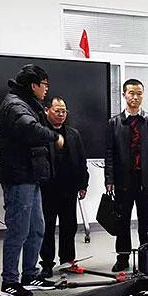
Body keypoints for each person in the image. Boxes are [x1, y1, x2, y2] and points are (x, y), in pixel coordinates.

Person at [0, 64, 62, 296]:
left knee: (36, 228)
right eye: (44, 85)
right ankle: (9, 282)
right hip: (18, 177)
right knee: (18, 230)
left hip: (30, 176)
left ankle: (30, 275)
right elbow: (30, 129)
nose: (46, 89)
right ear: (33, 85)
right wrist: (54, 136)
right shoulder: (15, 105)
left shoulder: (27, 103)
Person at [105, 78, 148, 272]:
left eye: (139, 94)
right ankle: (122, 258)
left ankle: (146, 257)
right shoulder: (114, 122)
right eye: (131, 93)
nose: (135, 97)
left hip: (145, 179)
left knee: (145, 220)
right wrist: (109, 179)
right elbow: (109, 153)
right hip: (123, 180)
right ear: (124, 95)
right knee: (122, 221)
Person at [38, 96, 89, 279]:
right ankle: (46, 264)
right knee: (47, 227)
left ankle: (67, 260)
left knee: (69, 226)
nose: (61, 114)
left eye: (64, 111)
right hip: (48, 188)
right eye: (57, 110)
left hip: (69, 188)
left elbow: (81, 160)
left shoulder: (73, 134)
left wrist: (83, 184)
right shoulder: (41, 133)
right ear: (47, 110)